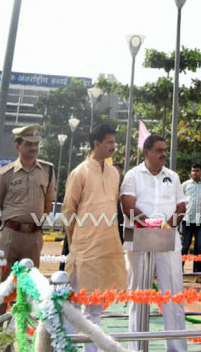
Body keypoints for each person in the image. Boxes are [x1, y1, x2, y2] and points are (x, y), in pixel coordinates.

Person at [120, 134, 187, 352]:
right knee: (138, 294)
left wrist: (164, 227)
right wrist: (149, 224)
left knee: (173, 293)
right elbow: (127, 205)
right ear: (147, 152)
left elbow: (181, 208)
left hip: (168, 239)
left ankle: (176, 348)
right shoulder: (133, 175)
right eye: (159, 150)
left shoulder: (173, 177)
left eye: (165, 150)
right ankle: (136, 348)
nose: (164, 154)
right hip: (138, 238)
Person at [63, 122, 126, 348]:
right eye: (109, 142)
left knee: (95, 306)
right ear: (96, 144)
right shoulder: (79, 172)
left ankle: (91, 349)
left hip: (107, 247)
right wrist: (76, 243)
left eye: (114, 142)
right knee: (72, 304)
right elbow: (68, 211)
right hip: (83, 248)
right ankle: (66, 347)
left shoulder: (114, 173)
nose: (113, 146)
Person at [0, 124, 55, 271]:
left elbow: (48, 203)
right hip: (9, 234)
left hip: (34, 236)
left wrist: (36, 226)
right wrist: (4, 232)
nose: (33, 148)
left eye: (36, 144)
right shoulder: (4, 174)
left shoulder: (47, 171)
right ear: (17, 146)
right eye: (28, 144)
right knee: (3, 280)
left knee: (29, 281)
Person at [181, 162, 201, 275]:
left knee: (199, 247)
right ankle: (179, 270)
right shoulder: (185, 185)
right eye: (193, 170)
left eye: (197, 171)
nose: (194, 173)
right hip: (187, 220)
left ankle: (198, 273)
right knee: (184, 246)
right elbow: (180, 201)